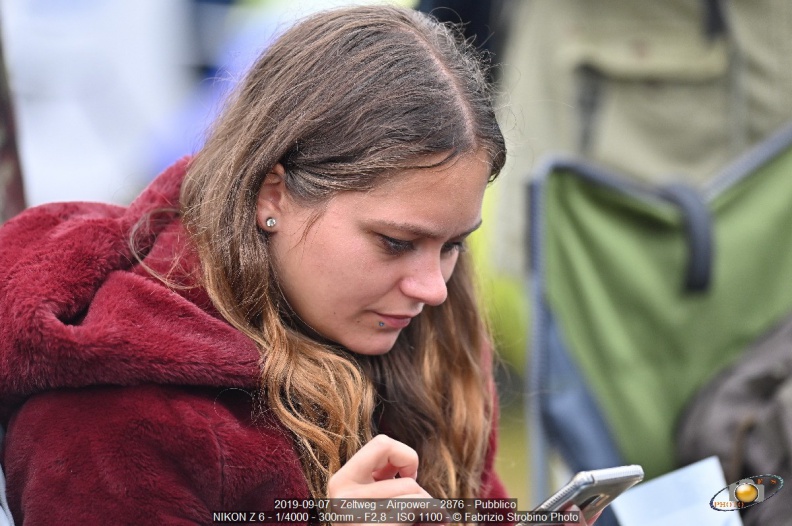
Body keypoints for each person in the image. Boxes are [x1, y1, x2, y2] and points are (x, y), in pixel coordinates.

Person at [0, 5, 595, 525]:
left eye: (452, 245)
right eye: (393, 241)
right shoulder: (113, 415)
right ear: (272, 195)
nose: (432, 287)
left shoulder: (427, 334)